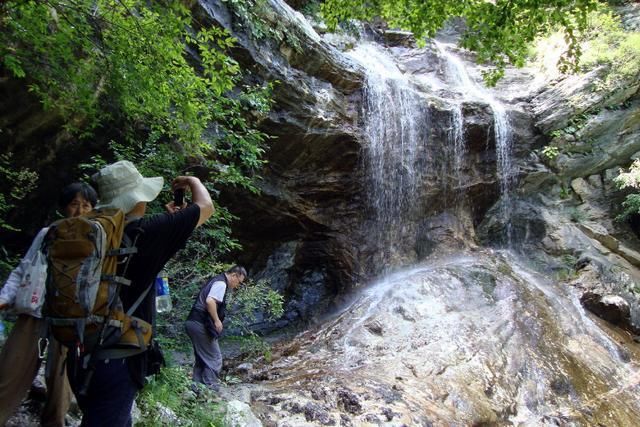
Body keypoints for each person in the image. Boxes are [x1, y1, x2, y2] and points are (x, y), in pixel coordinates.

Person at [68, 160, 213, 426]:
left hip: (79, 351)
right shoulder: (147, 232)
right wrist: (193, 182)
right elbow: (206, 207)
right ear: (138, 199)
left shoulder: (91, 231)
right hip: (118, 357)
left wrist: (170, 222)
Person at [0, 182, 97, 427]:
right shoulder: (48, 234)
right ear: (64, 207)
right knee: (10, 371)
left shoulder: (97, 237)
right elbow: (25, 268)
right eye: (74, 204)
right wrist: (5, 297)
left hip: (70, 319)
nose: (80, 211)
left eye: (86, 205)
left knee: (61, 383)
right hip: (34, 313)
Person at [185, 265, 246, 392]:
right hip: (199, 323)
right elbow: (210, 301)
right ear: (234, 275)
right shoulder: (221, 284)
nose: (237, 285)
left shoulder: (216, 280)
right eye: (239, 282)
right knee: (214, 357)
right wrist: (217, 320)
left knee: (202, 358)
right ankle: (210, 390)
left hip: (193, 322)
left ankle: (196, 390)